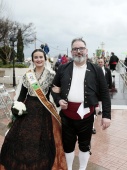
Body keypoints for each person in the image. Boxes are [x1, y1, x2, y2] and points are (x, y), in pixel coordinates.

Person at [0, 49, 67, 170]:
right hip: (28, 109)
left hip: (44, 110)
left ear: (45, 58)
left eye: (41, 57)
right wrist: (16, 107)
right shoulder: (28, 75)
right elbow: (22, 95)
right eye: (36, 57)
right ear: (32, 60)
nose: (38, 59)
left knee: (42, 139)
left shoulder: (52, 75)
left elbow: (55, 93)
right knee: (23, 138)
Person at [51, 38, 111, 170]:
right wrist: (58, 100)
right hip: (66, 115)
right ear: (71, 52)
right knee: (68, 145)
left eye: (81, 48)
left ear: (86, 51)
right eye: (75, 49)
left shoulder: (96, 70)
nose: (78, 51)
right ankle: (70, 168)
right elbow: (54, 88)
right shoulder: (62, 68)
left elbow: (105, 94)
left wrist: (106, 115)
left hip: (87, 115)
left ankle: (82, 168)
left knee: (85, 144)